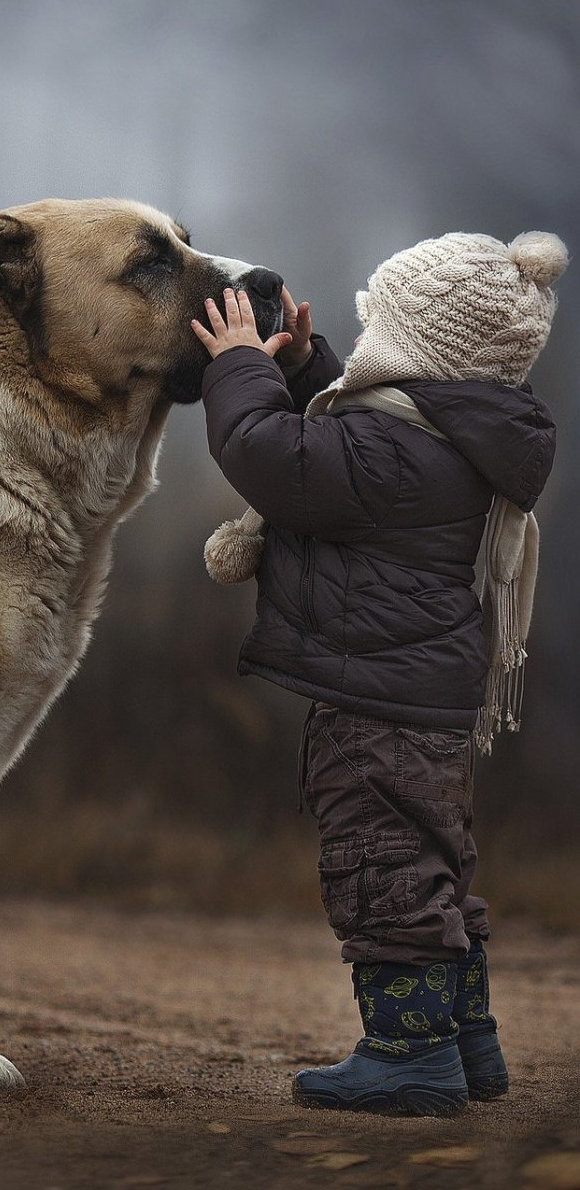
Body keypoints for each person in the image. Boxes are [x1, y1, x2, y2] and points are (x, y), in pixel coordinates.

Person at [190, 231, 567, 1114]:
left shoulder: (393, 457)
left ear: (418, 345)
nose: (364, 346)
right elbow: (342, 435)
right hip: (424, 696)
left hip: (378, 704)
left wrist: (240, 367)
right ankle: (467, 1045)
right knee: (433, 863)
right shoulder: (443, 435)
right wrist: (300, 365)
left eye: (378, 326)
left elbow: (266, 453)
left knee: (382, 866)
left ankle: (408, 1056)